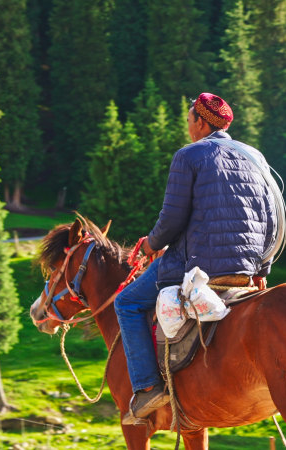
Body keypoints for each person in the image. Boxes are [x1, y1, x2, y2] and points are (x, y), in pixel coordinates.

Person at [115, 93, 277, 424]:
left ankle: (148, 387)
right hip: (246, 268)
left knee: (127, 303)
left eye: (190, 121)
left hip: (197, 265)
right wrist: (262, 268)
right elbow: (272, 218)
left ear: (201, 123)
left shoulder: (189, 156)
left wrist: (150, 245)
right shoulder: (255, 156)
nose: (189, 128)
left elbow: (172, 219)